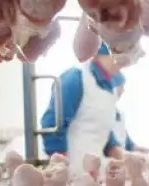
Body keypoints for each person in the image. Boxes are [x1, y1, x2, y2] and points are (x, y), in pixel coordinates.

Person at [40, 44, 127, 172]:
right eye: (116, 55)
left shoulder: (111, 88)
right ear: (98, 54)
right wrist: (60, 169)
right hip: (71, 168)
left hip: (95, 169)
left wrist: (123, 158)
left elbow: (103, 129)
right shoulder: (76, 78)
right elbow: (52, 124)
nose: (122, 62)